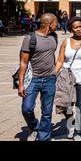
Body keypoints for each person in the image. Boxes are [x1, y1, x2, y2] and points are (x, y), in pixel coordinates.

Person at [18, 13, 58, 141]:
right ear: (49, 24)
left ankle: (43, 137)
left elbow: (52, 55)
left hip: (50, 79)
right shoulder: (30, 38)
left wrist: (55, 71)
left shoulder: (54, 37)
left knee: (47, 112)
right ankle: (34, 126)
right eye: (55, 22)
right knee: (27, 108)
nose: (57, 24)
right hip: (33, 80)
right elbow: (23, 62)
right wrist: (21, 84)